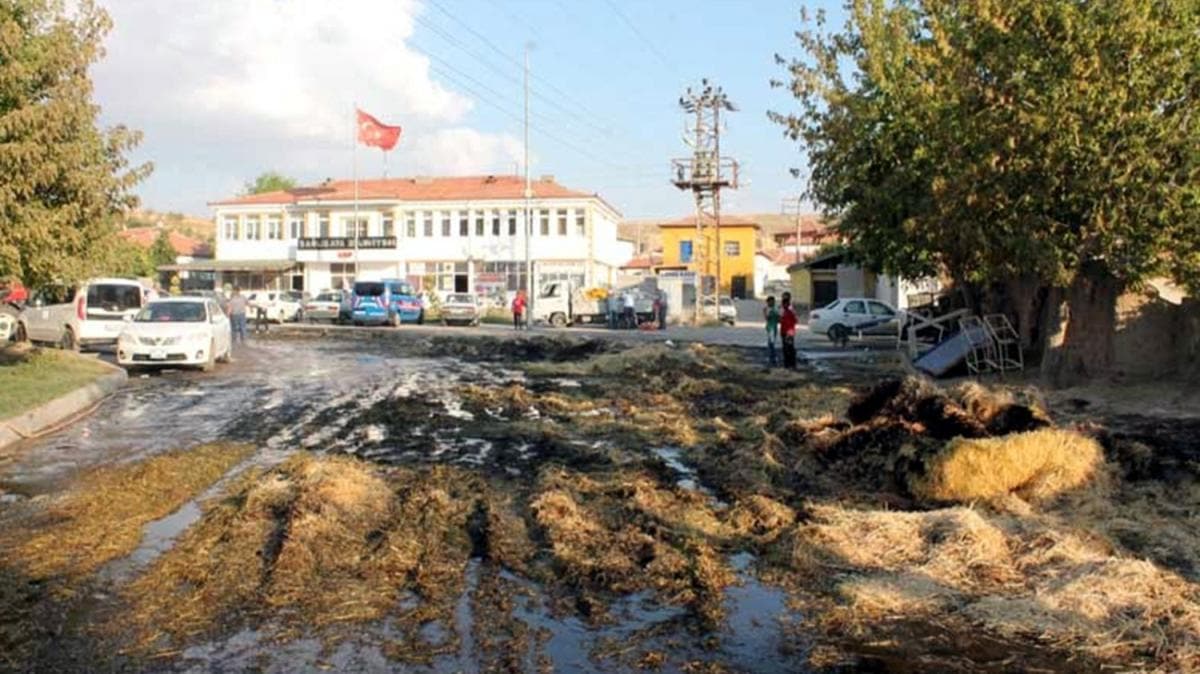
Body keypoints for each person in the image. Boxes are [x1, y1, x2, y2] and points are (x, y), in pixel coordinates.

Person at [780, 292, 798, 369]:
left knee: (790, 348)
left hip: (789, 333)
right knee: (785, 348)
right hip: (784, 332)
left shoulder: (790, 311)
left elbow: (795, 321)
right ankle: (787, 364)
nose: (784, 305)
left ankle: (792, 364)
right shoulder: (783, 311)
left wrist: (789, 332)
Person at [763, 295, 780, 366]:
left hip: (772, 328)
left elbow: (768, 318)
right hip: (770, 328)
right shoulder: (773, 309)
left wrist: (765, 312)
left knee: (771, 344)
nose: (768, 303)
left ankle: (773, 359)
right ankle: (772, 359)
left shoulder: (773, 309)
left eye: (769, 302)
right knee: (770, 343)